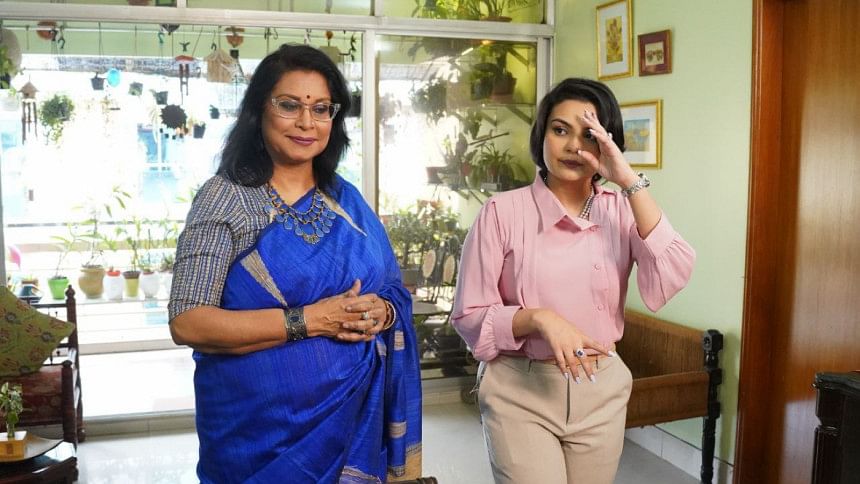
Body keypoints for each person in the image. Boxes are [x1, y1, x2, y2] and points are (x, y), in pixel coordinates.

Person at [168, 44, 422, 484]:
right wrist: (312, 320)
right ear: (258, 110)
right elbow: (188, 322)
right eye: (289, 105)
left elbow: (392, 291)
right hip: (256, 440)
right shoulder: (226, 197)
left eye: (321, 108)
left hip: (352, 429)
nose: (307, 122)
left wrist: (382, 312)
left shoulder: (347, 200)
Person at [451, 78, 695, 484]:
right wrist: (539, 318)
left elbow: (674, 271)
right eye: (560, 130)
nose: (572, 146)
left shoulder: (622, 210)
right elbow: (469, 316)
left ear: (607, 144)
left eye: (589, 135)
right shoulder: (500, 212)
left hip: (601, 389)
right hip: (520, 389)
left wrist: (628, 180)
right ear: (542, 134)